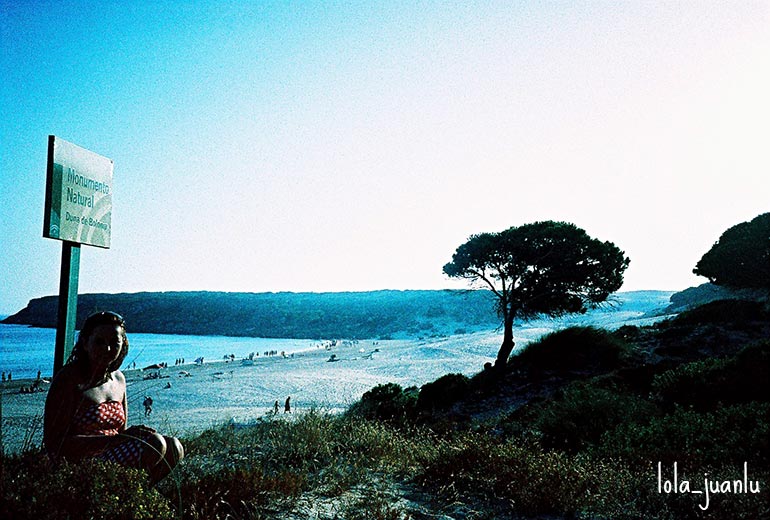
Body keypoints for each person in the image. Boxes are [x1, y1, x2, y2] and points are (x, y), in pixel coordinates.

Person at [43, 311, 183, 484]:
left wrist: (128, 436)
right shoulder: (69, 379)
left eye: (114, 343)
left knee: (174, 447)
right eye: (99, 342)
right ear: (85, 343)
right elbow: (55, 443)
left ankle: (131, 492)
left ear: (122, 345)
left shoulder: (119, 379)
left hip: (112, 454)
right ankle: (112, 494)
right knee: (155, 444)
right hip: (78, 462)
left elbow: (120, 431)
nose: (107, 349)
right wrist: (116, 440)